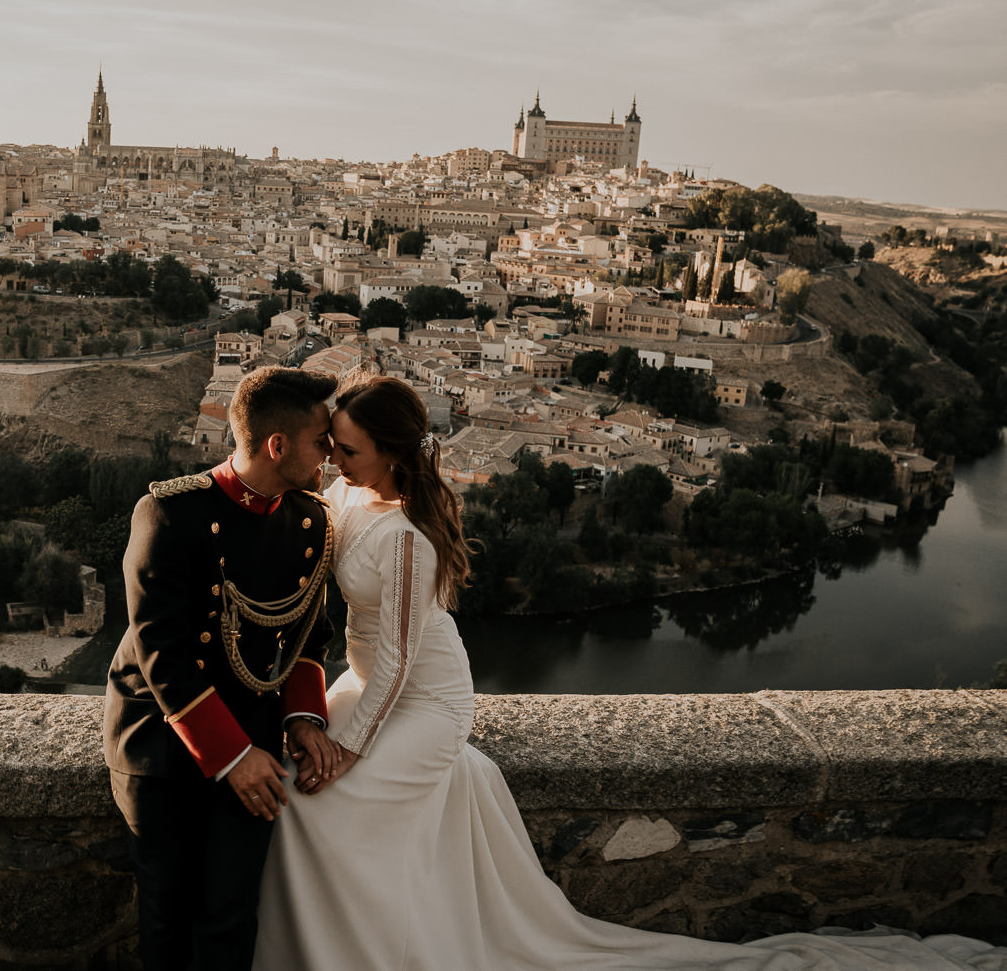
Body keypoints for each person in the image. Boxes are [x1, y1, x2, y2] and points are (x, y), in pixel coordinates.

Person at [254, 373, 1006, 971]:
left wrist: (349, 748)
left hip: (422, 698)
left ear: (389, 450)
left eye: (345, 448)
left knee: (331, 801)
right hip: (366, 680)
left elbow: (401, 661)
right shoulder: (348, 493)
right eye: (333, 447)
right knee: (296, 783)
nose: (333, 460)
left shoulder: (410, 538)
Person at [103, 366, 344, 971]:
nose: (331, 456)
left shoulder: (311, 521)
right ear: (277, 445)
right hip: (163, 743)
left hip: (255, 742)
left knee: (231, 918)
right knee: (167, 918)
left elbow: (307, 635)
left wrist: (305, 721)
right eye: (322, 441)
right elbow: (164, 654)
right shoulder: (168, 515)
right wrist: (232, 757)